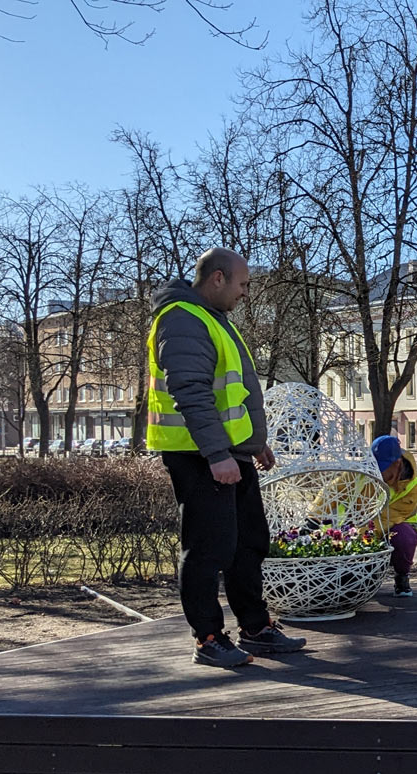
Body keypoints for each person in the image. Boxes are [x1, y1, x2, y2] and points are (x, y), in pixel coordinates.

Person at [150, 247, 307, 667]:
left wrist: (252, 443)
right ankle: (207, 638)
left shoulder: (212, 319)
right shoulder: (183, 318)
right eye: (243, 284)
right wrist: (218, 454)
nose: (245, 293)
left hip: (229, 453)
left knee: (248, 543)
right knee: (208, 549)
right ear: (217, 278)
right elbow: (190, 392)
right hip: (200, 455)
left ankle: (255, 627)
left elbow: (231, 394)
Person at [372, 434, 417, 597]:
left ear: (397, 464)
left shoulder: (412, 486)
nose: (379, 471)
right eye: (375, 465)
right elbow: (334, 490)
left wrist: (362, 535)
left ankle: (402, 576)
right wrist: (314, 519)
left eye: (383, 467)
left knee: (402, 538)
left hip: (397, 526)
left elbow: (390, 517)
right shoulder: (365, 473)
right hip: (367, 525)